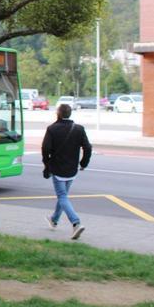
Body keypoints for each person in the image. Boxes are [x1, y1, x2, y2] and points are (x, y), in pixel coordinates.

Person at [42, 103, 92, 240]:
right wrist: (83, 163)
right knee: (63, 196)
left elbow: (45, 149)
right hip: (72, 170)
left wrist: (46, 165)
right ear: (70, 113)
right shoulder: (79, 129)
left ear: (58, 113)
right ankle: (54, 219)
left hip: (58, 169)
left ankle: (76, 223)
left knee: (62, 196)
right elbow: (88, 148)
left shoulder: (52, 129)